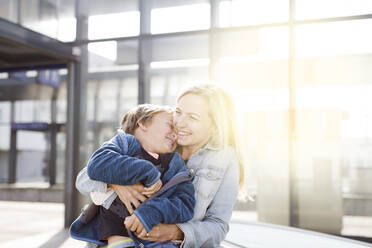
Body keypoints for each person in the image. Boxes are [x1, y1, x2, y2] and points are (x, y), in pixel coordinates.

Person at [78, 84, 244, 247]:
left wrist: (175, 232)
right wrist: (116, 183)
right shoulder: (158, 139)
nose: (180, 123)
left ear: (215, 127)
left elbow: (218, 225)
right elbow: (84, 179)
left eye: (192, 118)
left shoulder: (224, 159)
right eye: (178, 112)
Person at [70, 104, 195, 248]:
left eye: (176, 129)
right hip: (118, 238)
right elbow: (95, 166)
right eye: (170, 125)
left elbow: (185, 204)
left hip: (156, 241)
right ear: (142, 123)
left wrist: (151, 212)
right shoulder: (123, 143)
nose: (175, 133)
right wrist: (147, 172)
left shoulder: (175, 163)